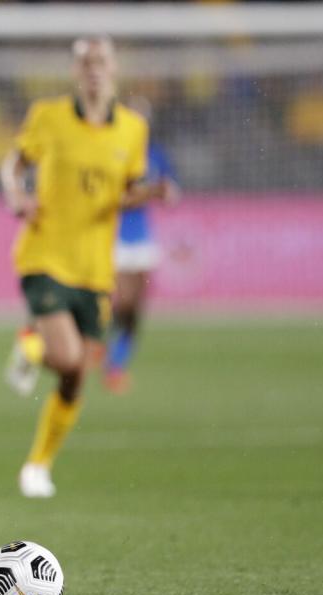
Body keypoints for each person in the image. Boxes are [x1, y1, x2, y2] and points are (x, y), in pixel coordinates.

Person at [0, 37, 174, 498]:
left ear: (115, 69)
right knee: (66, 357)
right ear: (76, 72)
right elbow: (13, 164)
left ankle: (37, 465)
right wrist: (17, 196)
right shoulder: (48, 117)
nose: (94, 70)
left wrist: (151, 194)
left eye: (101, 62)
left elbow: (120, 193)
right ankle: (34, 344)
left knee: (79, 374)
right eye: (85, 63)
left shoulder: (133, 129)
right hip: (44, 255)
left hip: (96, 269)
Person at [104, 96, 180, 394]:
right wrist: (151, 192)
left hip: (143, 239)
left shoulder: (155, 154)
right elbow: (112, 197)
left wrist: (166, 193)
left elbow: (172, 192)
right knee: (121, 303)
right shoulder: (114, 152)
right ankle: (97, 344)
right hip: (116, 238)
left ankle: (116, 366)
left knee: (135, 311)